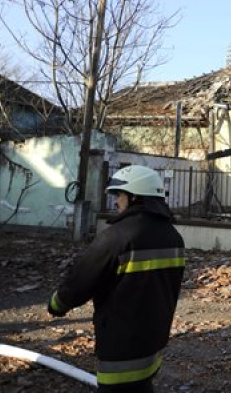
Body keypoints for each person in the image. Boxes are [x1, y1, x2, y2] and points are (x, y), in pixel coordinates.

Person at [48, 165, 185, 392]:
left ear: (135, 197)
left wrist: (57, 304)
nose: (115, 202)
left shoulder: (116, 237)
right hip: (154, 341)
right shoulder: (173, 237)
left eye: (119, 195)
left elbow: (80, 281)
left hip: (120, 346)